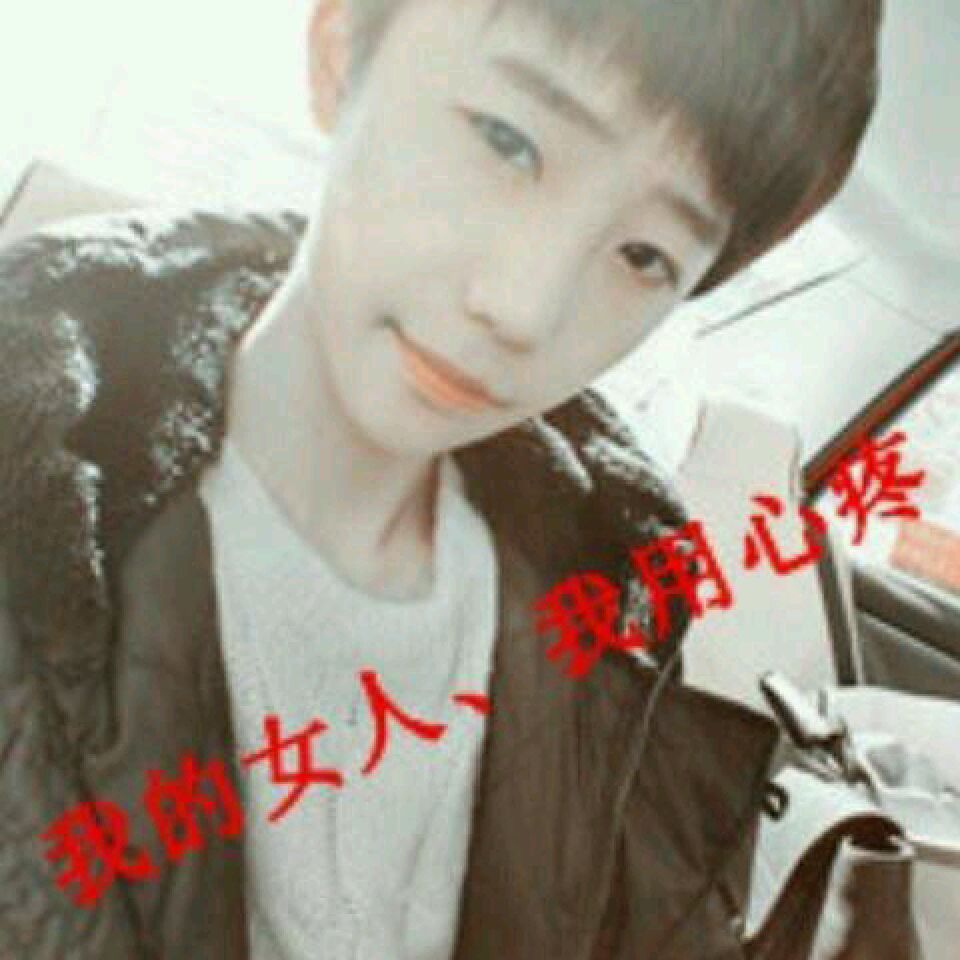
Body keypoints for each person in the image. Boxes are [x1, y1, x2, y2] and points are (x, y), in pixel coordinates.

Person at [0, 0, 883, 957]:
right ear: (341, 51)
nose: (523, 307)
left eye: (643, 256)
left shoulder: (608, 624)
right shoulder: (36, 500)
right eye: (507, 142)